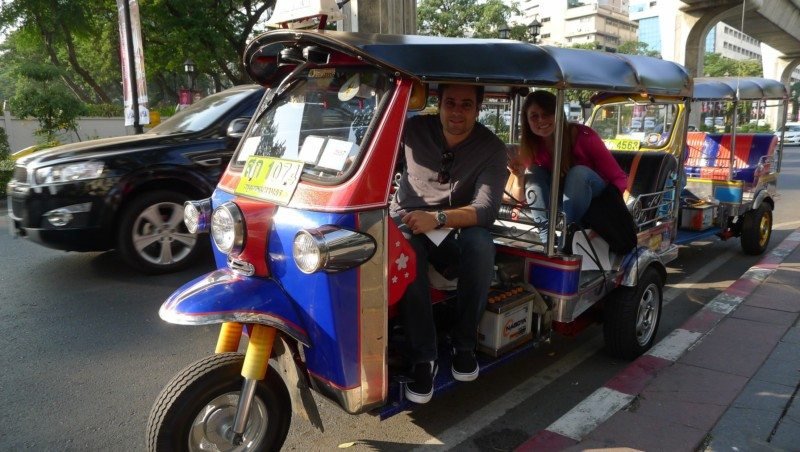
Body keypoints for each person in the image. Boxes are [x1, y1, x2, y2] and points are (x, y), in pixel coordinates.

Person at [389, 83, 507, 404]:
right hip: (408, 223)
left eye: (466, 105)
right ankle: (423, 356)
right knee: (405, 250)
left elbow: (485, 210)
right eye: (450, 103)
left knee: (481, 244)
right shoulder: (413, 131)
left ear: (478, 108)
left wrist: (438, 218)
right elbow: (377, 158)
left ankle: (464, 342)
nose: (457, 111)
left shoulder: (492, 148)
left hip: (452, 231)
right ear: (438, 103)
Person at [507, 91, 629, 245]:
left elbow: (619, 178)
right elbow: (515, 196)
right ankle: (547, 240)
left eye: (547, 113)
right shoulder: (531, 147)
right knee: (534, 171)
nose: (541, 120)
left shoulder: (584, 137)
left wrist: (609, 214)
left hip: (595, 197)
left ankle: (567, 236)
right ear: (527, 120)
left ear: (558, 114)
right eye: (534, 116)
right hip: (561, 200)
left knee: (578, 173)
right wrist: (519, 178)